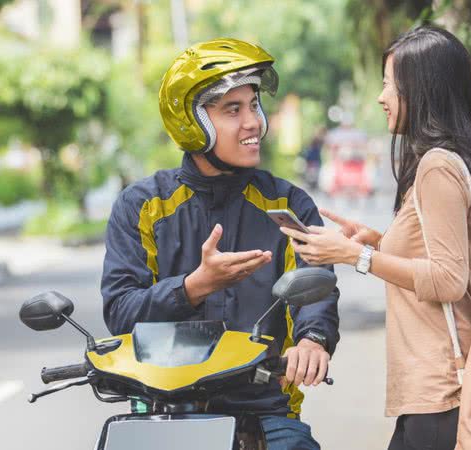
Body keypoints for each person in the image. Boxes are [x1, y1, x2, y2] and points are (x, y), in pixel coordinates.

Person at [101, 38, 340, 450]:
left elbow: (314, 285)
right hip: (162, 412)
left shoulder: (288, 205)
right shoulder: (143, 206)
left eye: (254, 105)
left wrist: (312, 340)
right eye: (233, 109)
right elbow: (120, 311)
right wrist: (193, 287)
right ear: (192, 123)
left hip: (263, 410)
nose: (254, 123)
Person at [278, 26, 471, 450]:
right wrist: (377, 242)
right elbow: (436, 253)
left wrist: (356, 255)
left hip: (443, 391)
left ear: (422, 90)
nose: (381, 97)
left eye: (389, 85)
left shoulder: (436, 167)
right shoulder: (443, 161)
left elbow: (449, 278)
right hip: (434, 391)